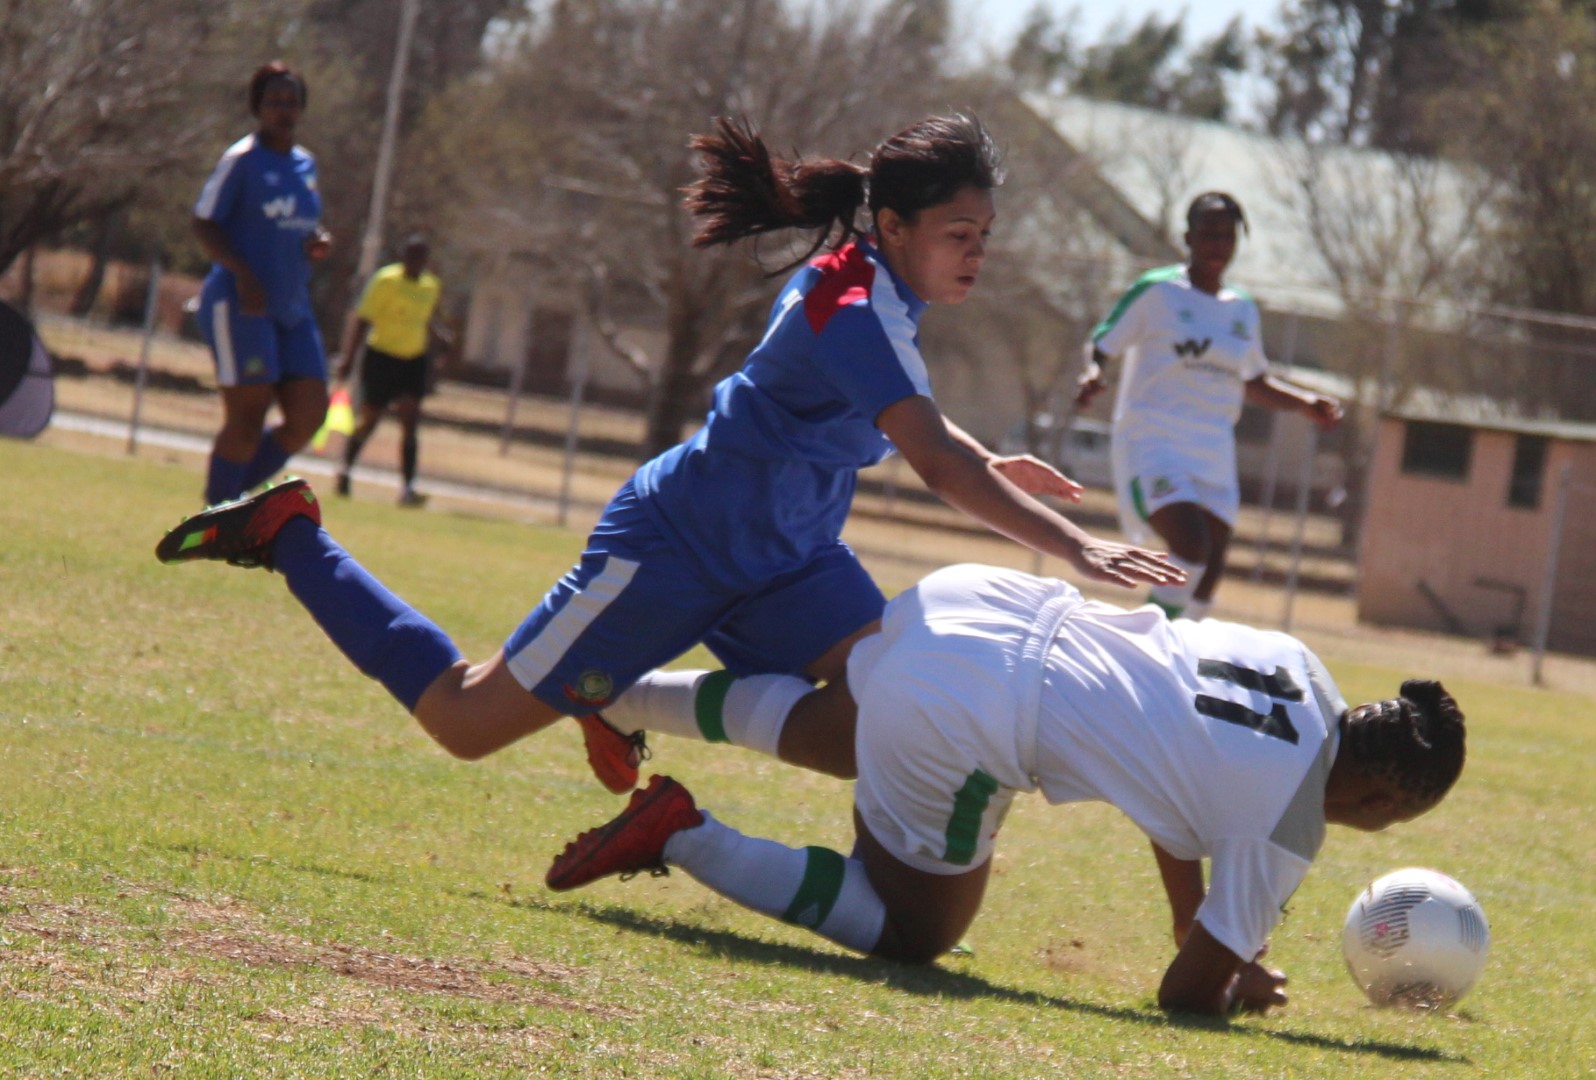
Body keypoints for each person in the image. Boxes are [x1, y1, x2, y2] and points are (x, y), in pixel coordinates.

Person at [154, 114, 1183, 794]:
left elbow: (918, 424)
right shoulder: (852, 301)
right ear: (894, 225)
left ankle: (622, 695)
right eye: (961, 233)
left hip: (788, 561)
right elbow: (932, 461)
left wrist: (992, 465)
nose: (978, 253)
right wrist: (1075, 548)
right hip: (676, 550)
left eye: (985, 233)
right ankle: (289, 535)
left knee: (880, 719)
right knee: (463, 721)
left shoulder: (885, 292)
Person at [544, 563, 1467, 1017]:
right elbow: (1181, 1000)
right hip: (978, 708)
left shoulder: (1298, 662)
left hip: (985, 600)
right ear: (1383, 805)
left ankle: (612, 694)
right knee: (916, 931)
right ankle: (680, 832)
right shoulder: (1287, 826)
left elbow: (1183, 787)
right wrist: (1227, 985)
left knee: (836, 732)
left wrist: (1199, 924)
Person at [1077, 192, 1344, 621]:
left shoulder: (1242, 309)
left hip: (1213, 448)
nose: (1218, 244)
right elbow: (1103, 341)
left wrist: (1305, 404)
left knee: (1211, 566)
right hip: (1154, 439)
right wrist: (1093, 372)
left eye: (1227, 236)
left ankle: (1184, 650)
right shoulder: (1159, 291)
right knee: (1190, 545)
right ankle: (1143, 642)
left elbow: (1254, 381)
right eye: (1208, 234)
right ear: (1188, 237)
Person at [191, 61, 333, 506]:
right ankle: (218, 514)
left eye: (292, 101)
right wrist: (244, 274)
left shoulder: (305, 164)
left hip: (292, 305)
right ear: (257, 107)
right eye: (274, 101)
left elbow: (297, 221)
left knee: (309, 415)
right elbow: (204, 222)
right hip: (242, 303)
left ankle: (228, 510)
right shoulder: (242, 161)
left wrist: (316, 241)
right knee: (248, 418)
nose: (283, 110)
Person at [333, 234, 450, 507]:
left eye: (421, 257)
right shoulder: (386, 280)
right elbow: (363, 319)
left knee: (410, 420)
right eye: (412, 256)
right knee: (370, 419)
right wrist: (349, 358)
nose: (416, 262)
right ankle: (345, 471)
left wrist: (441, 337)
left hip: (413, 359)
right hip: (382, 356)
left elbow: (425, 317)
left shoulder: (430, 286)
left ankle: (408, 488)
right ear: (404, 257)